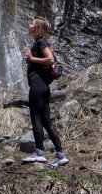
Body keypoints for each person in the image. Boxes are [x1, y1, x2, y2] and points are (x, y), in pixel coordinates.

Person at [22, 17, 68, 167]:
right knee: (46, 122)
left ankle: (40, 153)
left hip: (38, 86)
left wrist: (32, 58)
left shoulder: (41, 42)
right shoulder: (38, 43)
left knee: (36, 118)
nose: (29, 25)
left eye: (32, 24)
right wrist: (31, 59)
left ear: (39, 29)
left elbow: (50, 60)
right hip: (42, 86)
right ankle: (60, 154)